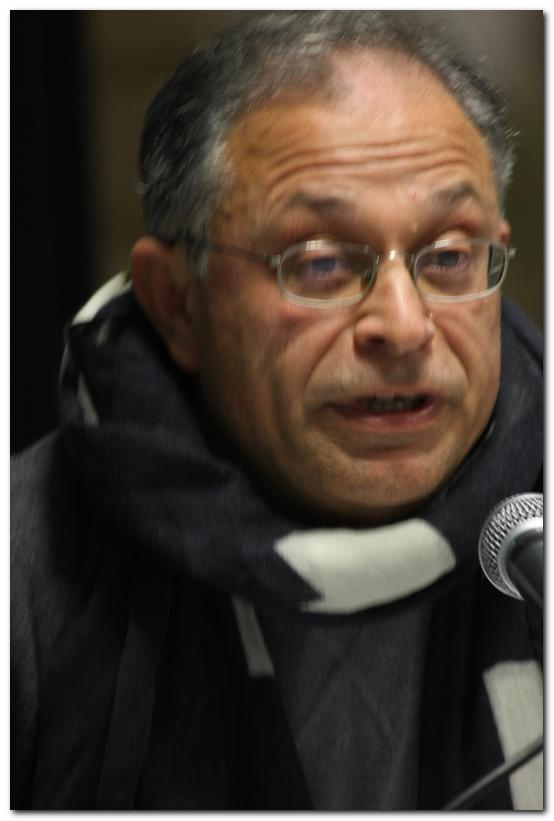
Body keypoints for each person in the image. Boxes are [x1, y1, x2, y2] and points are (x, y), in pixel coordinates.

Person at [11, 10, 543, 811]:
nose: (404, 326)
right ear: (177, 302)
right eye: (320, 263)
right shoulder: (29, 561)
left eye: (448, 256)